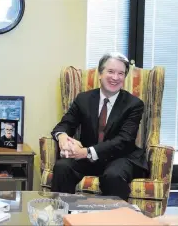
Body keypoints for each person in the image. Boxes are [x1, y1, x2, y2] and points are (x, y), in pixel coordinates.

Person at [50, 52, 148, 201]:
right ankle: (63, 216)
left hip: (121, 157)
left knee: (113, 175)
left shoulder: (134, 104)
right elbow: (64, 125)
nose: (115, 77)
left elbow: (124, 140)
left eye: (120, 73)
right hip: (88, 159)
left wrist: (85, 152)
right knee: (62, 167)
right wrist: (62, 137)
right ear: (100, 74)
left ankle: (113, 220)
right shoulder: (83, 99)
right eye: (110, 71)